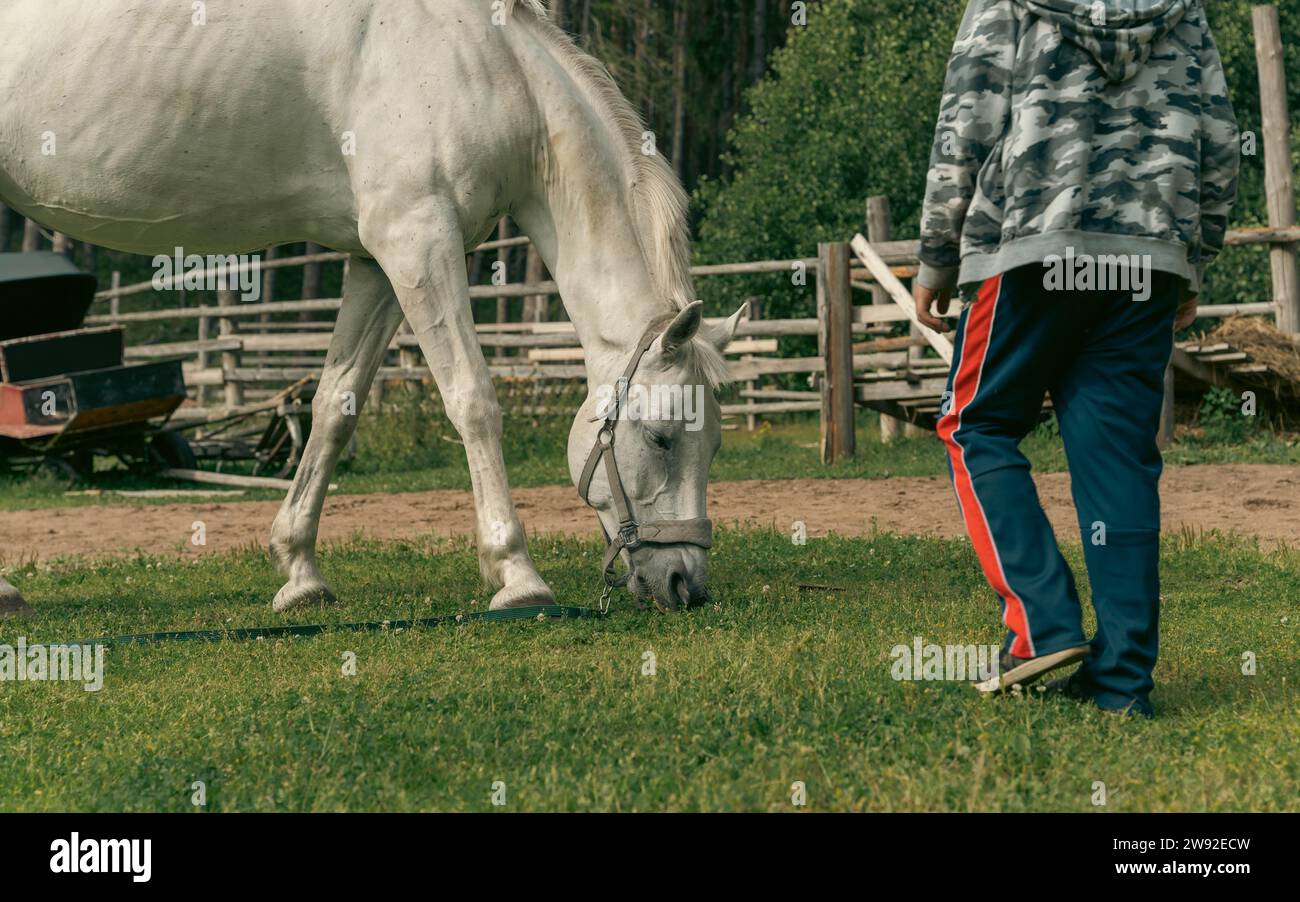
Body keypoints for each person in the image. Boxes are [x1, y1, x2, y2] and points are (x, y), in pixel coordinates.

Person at [913, 0, 1240, 716]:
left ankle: (1043, 628)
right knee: (1119, 460)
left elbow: (964, 122)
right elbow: (1219, 133)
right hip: (1146, 257)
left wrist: (936, 256)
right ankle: (1122, 685)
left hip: (1033, 242)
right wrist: (1195, 254)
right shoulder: (1182, 8)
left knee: (975, 425)